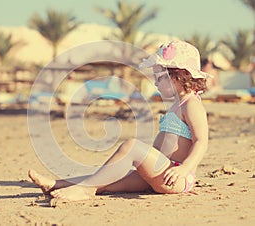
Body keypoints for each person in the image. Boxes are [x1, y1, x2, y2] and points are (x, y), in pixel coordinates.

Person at [28, 40, 212, 204]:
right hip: (160, 172)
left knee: (132, 146)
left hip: (176, 176)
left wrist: (185, 168)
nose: (156, 83)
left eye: (161, 77)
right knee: (109, 178)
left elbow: (201, 141)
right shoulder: (176, 105)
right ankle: (56, 184)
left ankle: (85, 190)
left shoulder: (192, 105)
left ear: (181, 75)